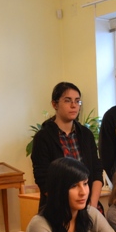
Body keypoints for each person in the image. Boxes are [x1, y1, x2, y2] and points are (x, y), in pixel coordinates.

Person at [31, 82, 104, 211]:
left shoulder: (86, 134)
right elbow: (43, 179)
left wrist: (92, 205)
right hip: (58, 208)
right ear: (55, 104)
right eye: (67, 100)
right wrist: (68, 209)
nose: (73, 105)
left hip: (88, 206)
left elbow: (96, 171)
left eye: (77, 101)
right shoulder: (43, 137)